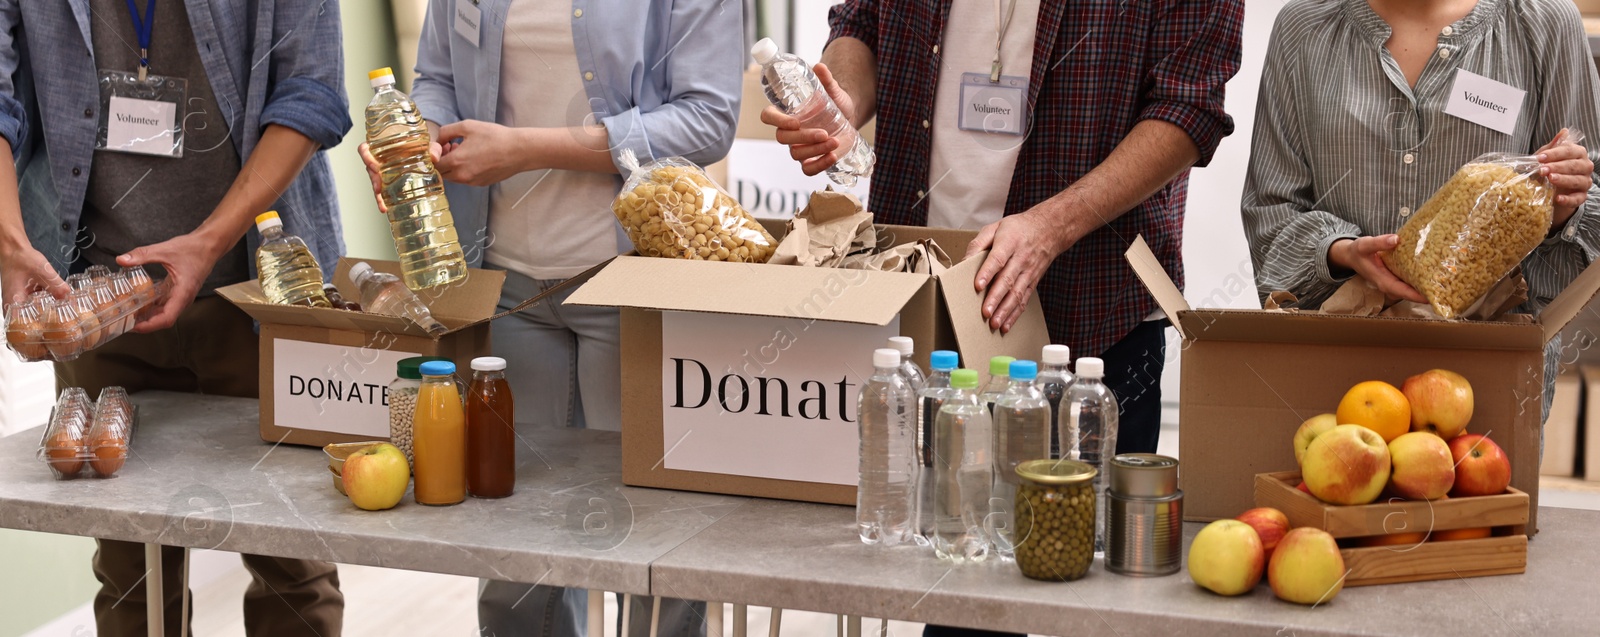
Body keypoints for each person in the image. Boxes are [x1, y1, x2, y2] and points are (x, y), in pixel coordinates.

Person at [358, 1, 742, 635]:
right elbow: (437, 79)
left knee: (653, 539)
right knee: (513, 540)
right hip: (504, 288)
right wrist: (412, 140)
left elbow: (708, 120)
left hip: (634, 288)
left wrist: (527, 149)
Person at [0, 1, 350, 636]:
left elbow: (313, 91)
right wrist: (8, 239)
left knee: (294, 564)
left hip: (261, 293)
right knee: (131, 573)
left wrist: (210, 241)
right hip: (100, 303)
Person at [765, 5, 1241, 471]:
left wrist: (1053, 226)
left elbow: (1187, 109)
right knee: (907, 523)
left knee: (1078, 541)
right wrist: (845, 100)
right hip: (911, 292)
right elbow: (864, 21)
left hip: (1090, 313)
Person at [1242, 0, 1600, 419]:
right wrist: (1341, 251)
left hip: (1490, 371)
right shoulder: (1304, 28)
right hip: (1338, 360)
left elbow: (1590, 200)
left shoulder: (1542, 23)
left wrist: (1557, 210)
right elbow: (1269, 209)